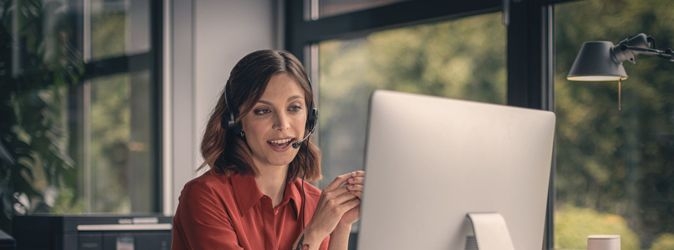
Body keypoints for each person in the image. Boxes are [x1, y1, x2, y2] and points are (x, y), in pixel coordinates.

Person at [171, 49, 365, 250]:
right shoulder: (205, 197)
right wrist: (314, 234)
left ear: (310, 118)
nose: (282, 124)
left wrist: (341, 225)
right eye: (263, 111)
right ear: (235, 121)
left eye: (294, 108)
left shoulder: (315, 203)